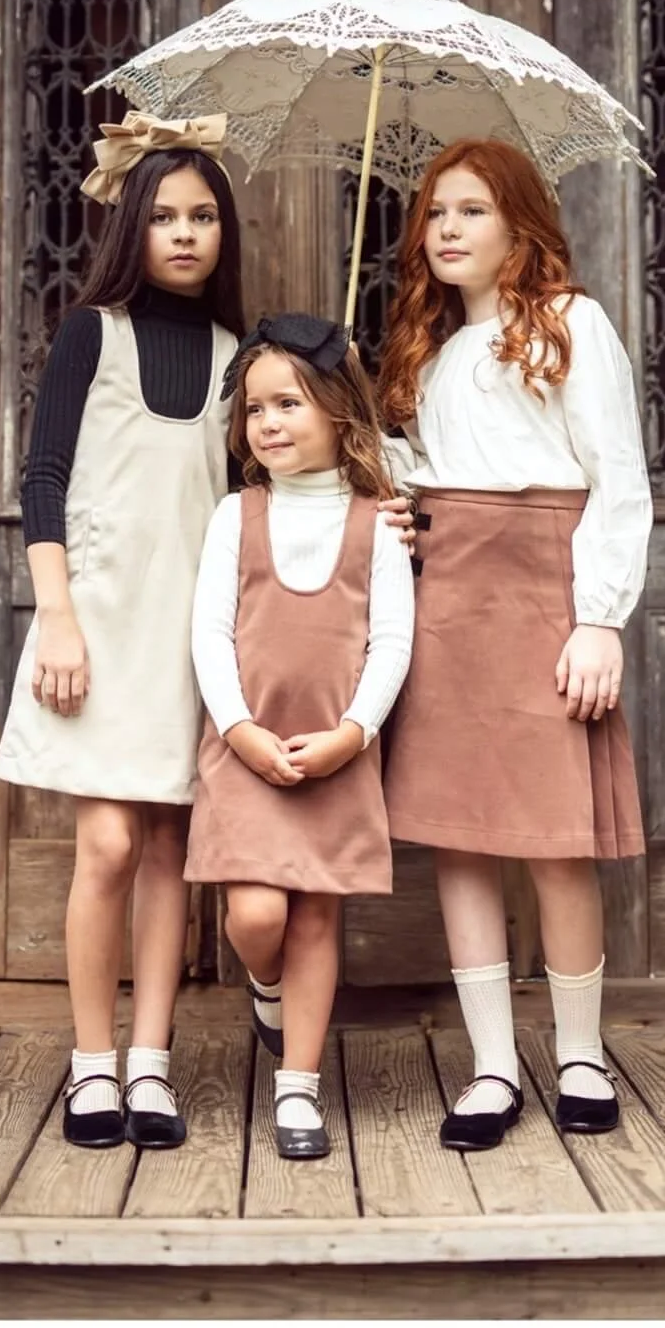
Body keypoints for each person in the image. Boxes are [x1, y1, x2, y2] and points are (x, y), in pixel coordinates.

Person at [375, 138, 652, 1151]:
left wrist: (598, 618)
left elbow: (616, 475)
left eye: (471, 212)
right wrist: (395, 487)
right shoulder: (433, 351)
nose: (445, 228)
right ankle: (493, 1067)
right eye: (435, 213)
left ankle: (578, 1050)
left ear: (518, 227)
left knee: (556, 838)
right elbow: (433, 473)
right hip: (451, 604)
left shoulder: (572, 325)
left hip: (547, 599)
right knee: (462, 838)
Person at [0, 112, 244, 1151]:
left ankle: (152, 1063)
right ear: (131, 226)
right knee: (105, 841)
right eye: (166, 216)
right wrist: (55, 617)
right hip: (94, 623)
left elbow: (254, 502)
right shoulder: (92, 332)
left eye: (204, 217)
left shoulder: (239, 354)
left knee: (170, 851)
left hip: (190, 635)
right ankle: (91, 1063)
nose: (185, 234)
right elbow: (43, 477)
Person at [185, 314, 415, 1159]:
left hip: (333, 752)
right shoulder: (234, 516)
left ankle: (297, 1089)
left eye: (288, 403)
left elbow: (391, 640)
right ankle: (265, 983)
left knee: (317, 918)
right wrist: (238, 729)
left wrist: (353, 735)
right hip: (246, 749)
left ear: (337, 411)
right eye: (255, 410)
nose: (269, 423)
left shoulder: (375, 523)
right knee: (257, 916)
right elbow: (209, 633)